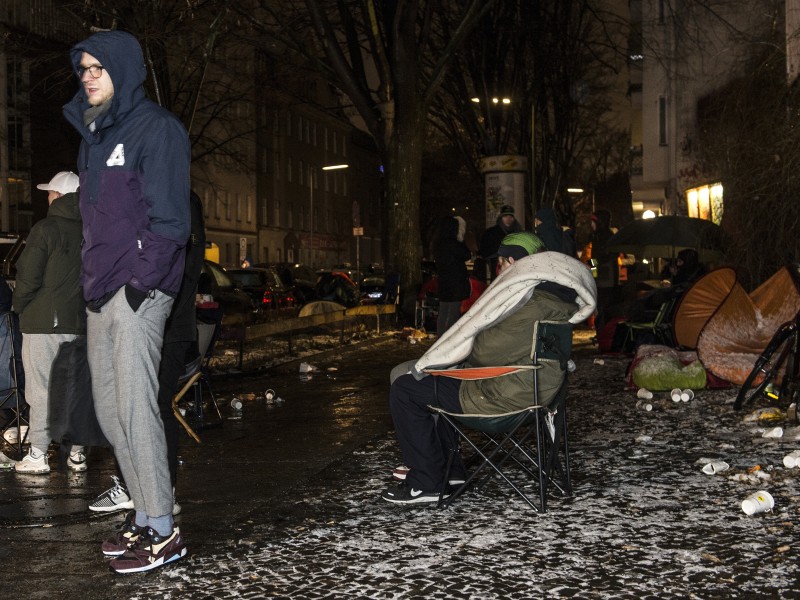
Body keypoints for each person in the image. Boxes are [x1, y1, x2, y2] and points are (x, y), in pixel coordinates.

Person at [62, 30, 190, 573]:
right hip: (99, 291)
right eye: (83, 68)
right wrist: (91, 285)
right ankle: (144, 512)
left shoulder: (155, 130)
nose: (87, 75)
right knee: (113, 415)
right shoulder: (92, 137)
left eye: (98, 67)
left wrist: (140, 285)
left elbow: (171, 223)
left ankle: (164, 528)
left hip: (138, 291)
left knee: (138, 411)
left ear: (124, 70)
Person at [381, 232, 597, 504]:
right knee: (428, 379)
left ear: (511, 261)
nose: (499, 270)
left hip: (504, 395)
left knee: (406, 389)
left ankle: (427, 481)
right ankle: (450, 470)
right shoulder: (558, 297)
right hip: (538, 390)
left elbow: (484, 351)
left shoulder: (527, 301)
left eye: (501, 264)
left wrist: (465, 343)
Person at [88, 192, 205, 516]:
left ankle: (160, 493)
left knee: (153, 405)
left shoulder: (178, 200)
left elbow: (186, 268)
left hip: (166, 326)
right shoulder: (144, 198)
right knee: (132, 404)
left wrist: (158, 313)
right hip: (148, 321)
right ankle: (136, 487)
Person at [12, 171, 86, 474]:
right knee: (74, 388)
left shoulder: (46, 229)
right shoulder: (92, 229)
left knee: (41, 389)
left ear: (59, 196)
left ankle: (39, 453)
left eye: (50, 192)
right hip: (79, 323)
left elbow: (28, 275)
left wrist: (21, 306)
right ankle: (77, 452)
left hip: (44, 323)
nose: (47, 197)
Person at [434, 216, 471, 337]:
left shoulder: (439, 244)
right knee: (454, 312)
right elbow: (466, 255)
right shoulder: (454, 244)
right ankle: (449, 338)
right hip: (456, 283)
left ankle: (440, 337)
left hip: (444, 283)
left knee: (443, 311)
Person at [478, 204, 522, 280]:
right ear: (501, 218)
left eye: (510, 217)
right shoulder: (491, 233)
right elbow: (485, 251)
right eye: (505, 216)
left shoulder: (518, 232)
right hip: (498, 269)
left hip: (516, 269)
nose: (508, 219)